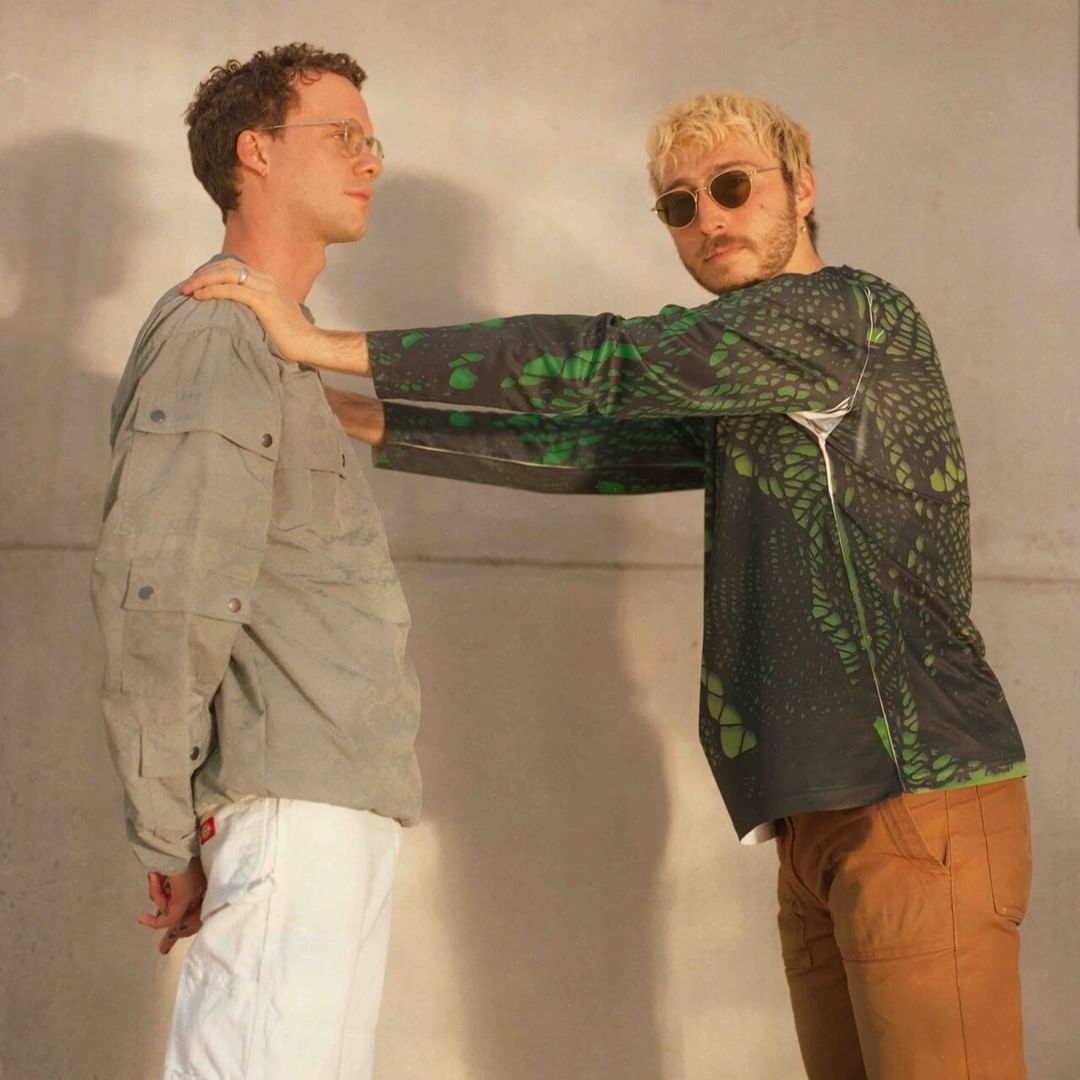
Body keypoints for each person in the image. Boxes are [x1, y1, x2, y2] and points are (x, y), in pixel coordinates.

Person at [182, 91, 1032, 1079]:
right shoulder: (749, 377)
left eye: (732, 187)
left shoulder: (836, 316)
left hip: (916, 800)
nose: (708, 219)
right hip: (817, 815)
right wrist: (354, 413)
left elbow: (605, 363)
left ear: (803, 187)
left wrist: (322, 342)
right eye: (679, 205)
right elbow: (593, 446)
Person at [91, 43, 421, 1080]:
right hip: (291, 817)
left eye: (374, 141)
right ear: (256, 151)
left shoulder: (285, 338)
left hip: (331, 804)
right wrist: (165, 832)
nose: (370, 159)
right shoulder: (222, 331)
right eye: (343, 134)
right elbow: (166, 594)